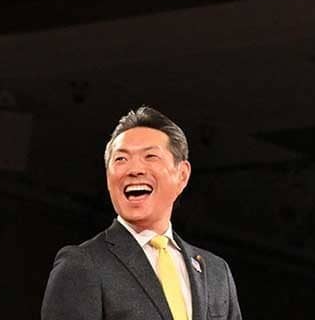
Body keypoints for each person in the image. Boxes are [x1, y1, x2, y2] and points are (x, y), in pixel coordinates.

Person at [41, 106, 241, 320]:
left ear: (182, 175)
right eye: (121, 159)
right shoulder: (82, 265)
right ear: (108, 176)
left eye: (150, 156)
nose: (134, 169)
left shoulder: (216, 271)